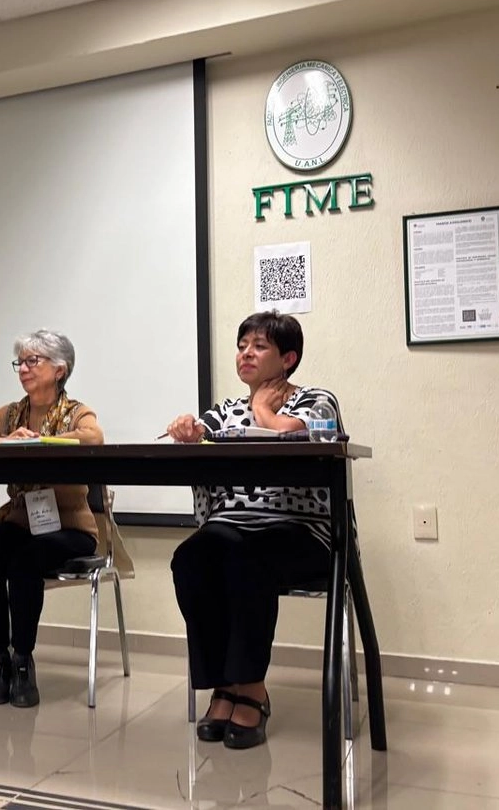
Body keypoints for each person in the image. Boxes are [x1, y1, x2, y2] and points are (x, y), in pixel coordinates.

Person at [165, 311, 342, 749]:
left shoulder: (317, 400)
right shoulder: (223, 410)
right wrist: (188, 436)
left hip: (302, 533)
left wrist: (262, 409)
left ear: (288, 358)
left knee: (245, 558)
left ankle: (251, 688)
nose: (246, 353)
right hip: (231, 530)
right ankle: (224, 684)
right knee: (191, 558)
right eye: (242, 344)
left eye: (259, 346)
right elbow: (202, 465)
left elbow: (309, 443)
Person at [0, 330, 103, 708]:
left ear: (60, 370)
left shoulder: (77, 411)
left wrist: (40, 444)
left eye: (34, 362)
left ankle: (23, 659)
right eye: (21, 362)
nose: (24, 369)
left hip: (71, 528)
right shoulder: (10, 413)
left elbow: (93, 439)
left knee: (26, 561)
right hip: (21, 521)